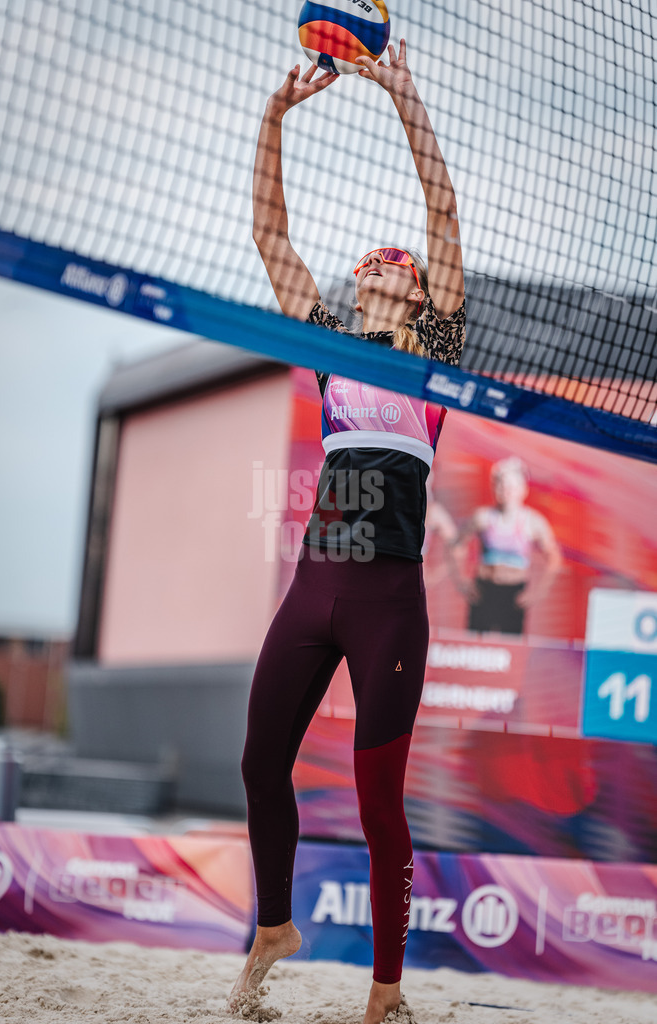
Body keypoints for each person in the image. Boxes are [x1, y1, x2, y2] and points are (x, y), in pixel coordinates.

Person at [229, 42, 465, 1024]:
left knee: (377, 806)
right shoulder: (327, 347)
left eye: (396, 261)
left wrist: (402, 91)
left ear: (413, 293)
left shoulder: (439, 351)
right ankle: (275, 924)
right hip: (313, 588)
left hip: (385, 602)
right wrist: (274, 120)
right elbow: (268, 233)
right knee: (256, 763)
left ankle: (383, 993)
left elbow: (439, 211)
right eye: (372, 255)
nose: (383, 257)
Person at [452, 456, 562, 634]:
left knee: (510, 651)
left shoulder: (533, 522)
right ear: (494, 487)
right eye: (501, 485)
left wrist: (539, 592)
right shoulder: (483, 517)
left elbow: (554, 558)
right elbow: (456, 546)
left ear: (523, 490)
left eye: (511, 486)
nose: (506, 491)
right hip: (484, 592)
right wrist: (461, 581)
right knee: (476, 651)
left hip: (513, 595)